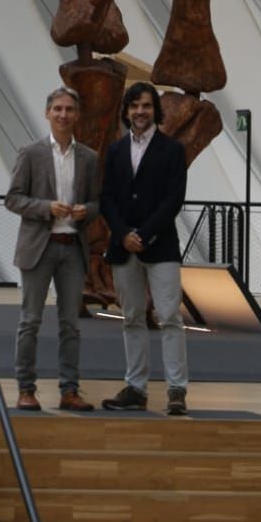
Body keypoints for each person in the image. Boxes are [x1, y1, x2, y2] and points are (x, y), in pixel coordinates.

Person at [5, 85, 100, 411]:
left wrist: (88, 210)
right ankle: (26, 389)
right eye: (57, 109)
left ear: (77, 115)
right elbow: (13, 198)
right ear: (47, 113)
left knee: (70, 324)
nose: (63, 115)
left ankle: (69, 391)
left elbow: (98, 202)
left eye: (69, 109)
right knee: (30, 320)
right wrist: (47, 208)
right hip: (38, 248)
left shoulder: (89, 158)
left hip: (73, 247)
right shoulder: (30, 153)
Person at [100, 80, 189, 415]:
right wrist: (123, 234)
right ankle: (135, 387)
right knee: (132, 317)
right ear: (127, 110)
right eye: (135, 105)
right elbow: (107, 197)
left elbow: (173, 199)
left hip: (161, 246)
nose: (140, 111)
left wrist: (145, 233)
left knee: (168, 317)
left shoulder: (172, 150)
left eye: (147, 106)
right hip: (123, 248)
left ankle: (176, 389)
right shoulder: (116, 150)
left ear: (156, 110)